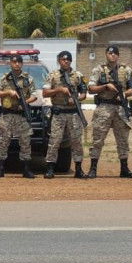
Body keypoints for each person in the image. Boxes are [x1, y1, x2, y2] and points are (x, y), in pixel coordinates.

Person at [87, 45, 132, 178]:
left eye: (115, 53)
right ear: (106, 54)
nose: (112, 55)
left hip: (120, 108)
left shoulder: (126, 70)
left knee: (123, 140)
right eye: (110, 53)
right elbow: (91, 88)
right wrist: (105, 86)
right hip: (104, 107)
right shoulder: (99, 69)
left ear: (118, 55)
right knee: (98, 139)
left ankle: (124, 169)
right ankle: (93, 169)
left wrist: (124, 94)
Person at [42, 51, 87, 179]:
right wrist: (59, 89)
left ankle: (78, 169)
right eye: (63, 59)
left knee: (76, 141)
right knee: (54, 141)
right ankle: (50, 168)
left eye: (68, 60)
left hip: (73, 113)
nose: (65, 61)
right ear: (59, 61)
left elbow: (84, 93)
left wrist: (77, 98)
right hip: (59, 113)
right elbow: (45, 93)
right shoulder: (53, 76)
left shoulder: (78, 76)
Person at [0, 55, 37, 179]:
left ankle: (26, 169)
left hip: (22, 115)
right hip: (7, 115)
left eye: (19, 62)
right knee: (3, 142)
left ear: (22, 64)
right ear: (10, 64)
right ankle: (0, 169)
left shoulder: (28, 79)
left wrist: (26, 102)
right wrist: (8, 92)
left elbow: (34, 95)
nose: (16, 64)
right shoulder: (4, 78)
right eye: (14, 62)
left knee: (25, 142)